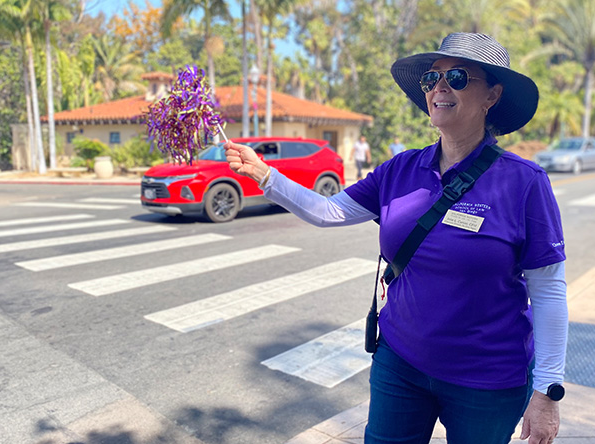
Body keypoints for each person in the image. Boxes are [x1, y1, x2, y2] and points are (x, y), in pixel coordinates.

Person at [224, 32, 567, 444]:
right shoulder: (400, 170)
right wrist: (265, 174)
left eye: (457, 77)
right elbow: (329, 211)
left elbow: (548, 293)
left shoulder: (525, 182)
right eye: (431, 78)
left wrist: (547, 391)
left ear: (491, 95)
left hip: (487, 380)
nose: (439, 86)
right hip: (400, 363)